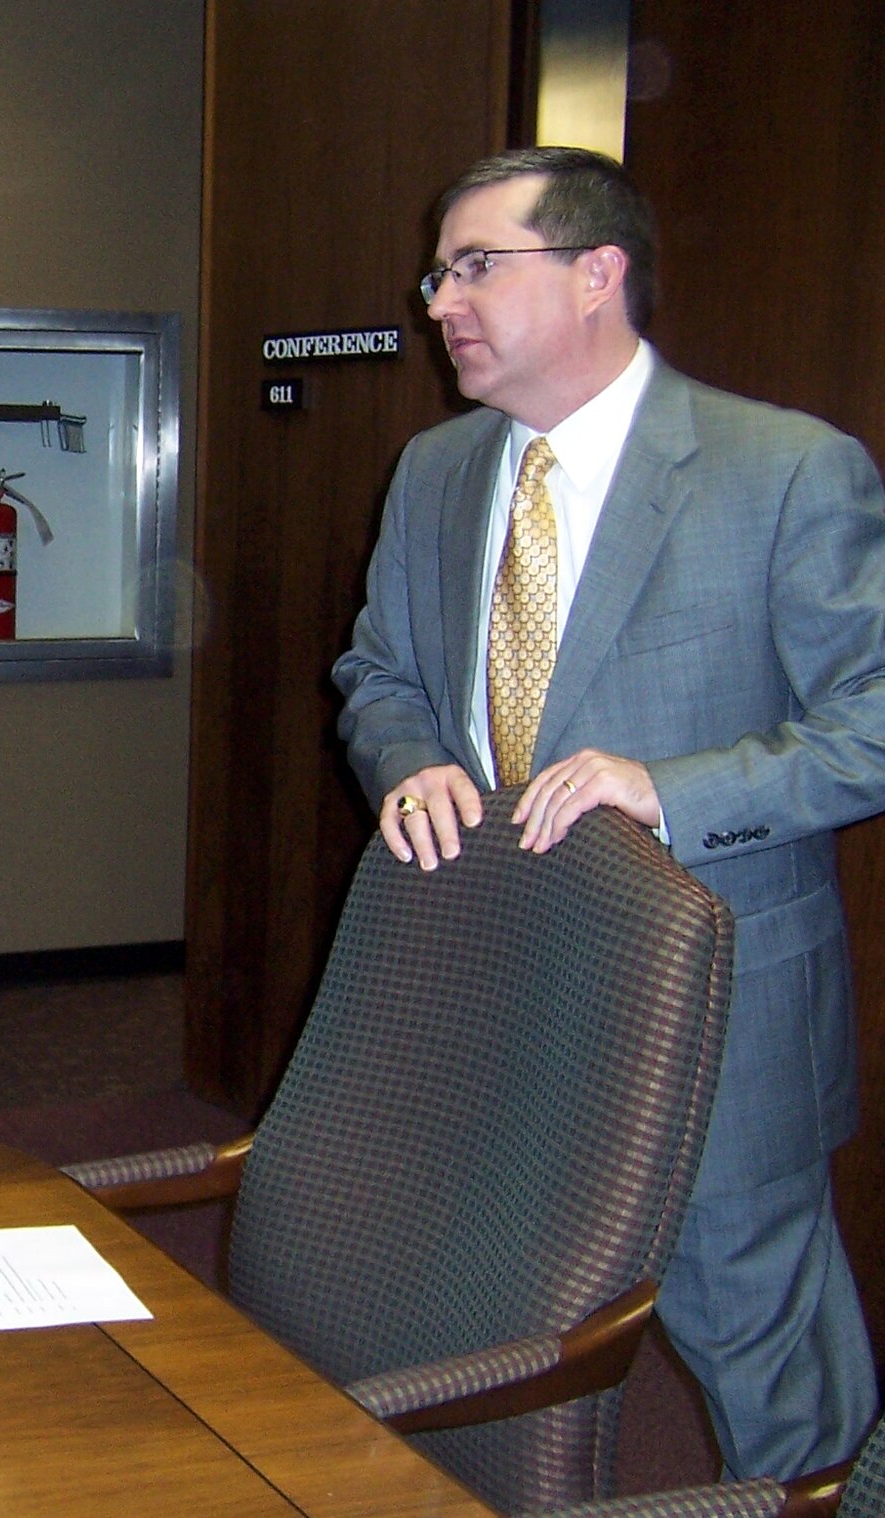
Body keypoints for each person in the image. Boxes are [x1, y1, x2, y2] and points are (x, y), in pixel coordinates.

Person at [333, 146, 883, 1480]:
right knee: (508, 1323)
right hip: (506, 984)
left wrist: (669, 790)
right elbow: (378, 672)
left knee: (761, 1339)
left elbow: (871, 719)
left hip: (719, 996)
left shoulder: (784, 470)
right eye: (437, 270)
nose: (438, 300)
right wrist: (406, 756)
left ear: (598, 273)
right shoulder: (437, 472)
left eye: (476, 265)